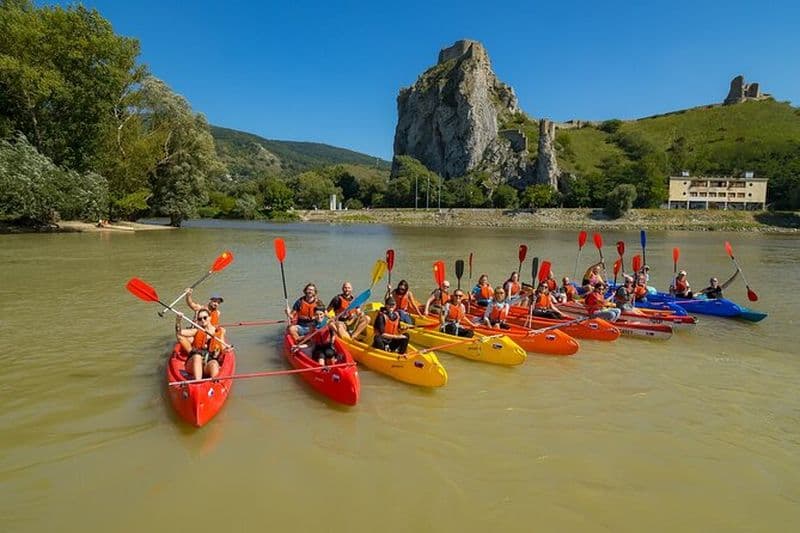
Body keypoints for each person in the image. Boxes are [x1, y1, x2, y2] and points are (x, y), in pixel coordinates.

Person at [176, 308, 227, 380]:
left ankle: (215, 384)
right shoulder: (196, 331)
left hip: (207, 364)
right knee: (197, 357)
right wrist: (178, 321)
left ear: (210, 317)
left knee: (214, 363)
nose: (202, 320)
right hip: (193, 364)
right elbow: (179, 333)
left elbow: (223, 347)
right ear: (198, 322)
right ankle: (197, 382)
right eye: (200, 319)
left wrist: (227, 349)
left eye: (205, 317)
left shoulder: (219, 331)